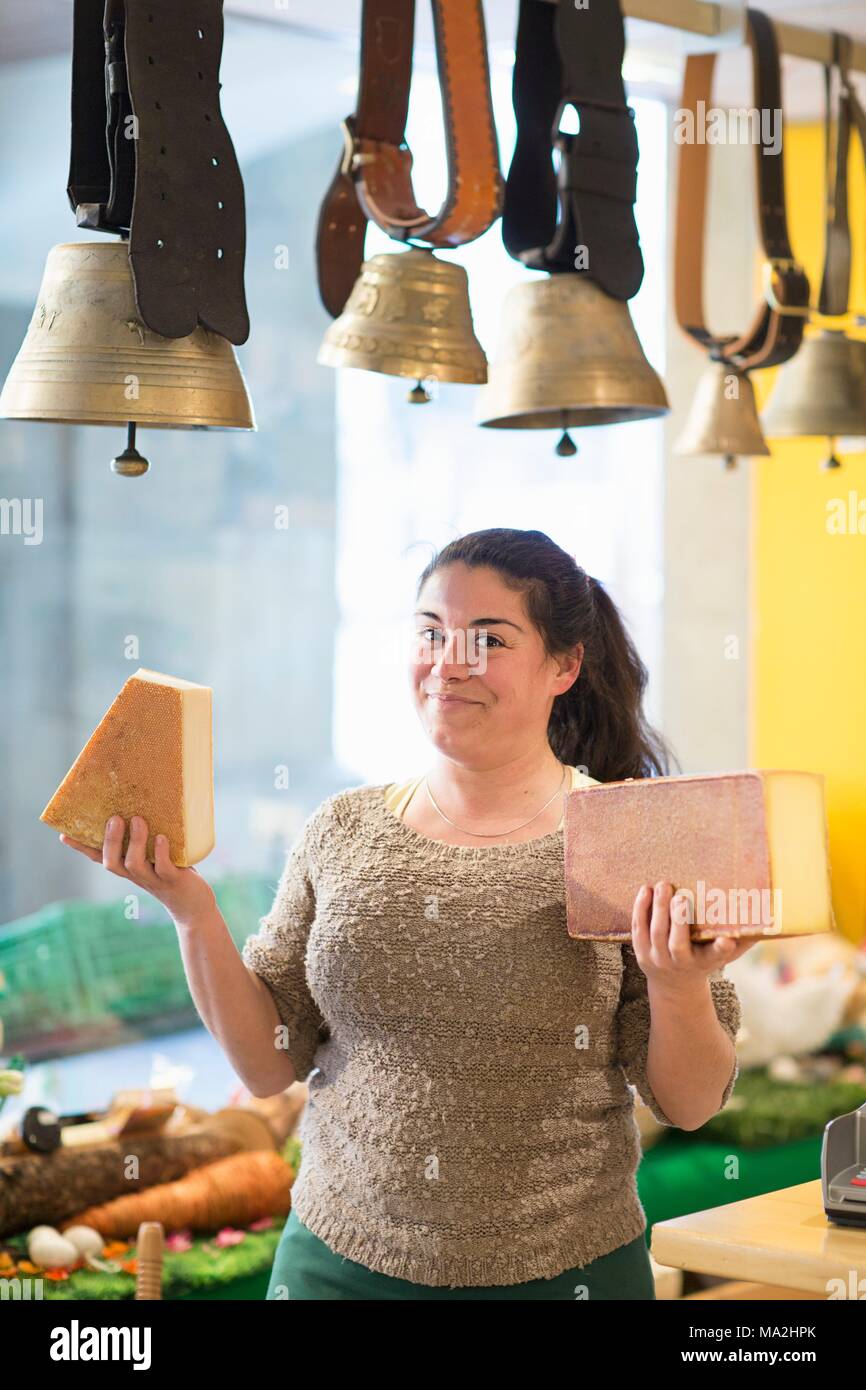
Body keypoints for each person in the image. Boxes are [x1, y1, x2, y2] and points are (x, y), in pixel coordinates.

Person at [60, 527, 754, 1300]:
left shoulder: (632, 834)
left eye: (489, 638)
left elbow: (689, 1105)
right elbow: (265, 1065)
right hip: (336, 1267)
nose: (449, 662)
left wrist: (679, 984)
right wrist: (192, 911)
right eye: (431, 632)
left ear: (565, 665)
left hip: (565, 1272)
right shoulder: (342, 829)